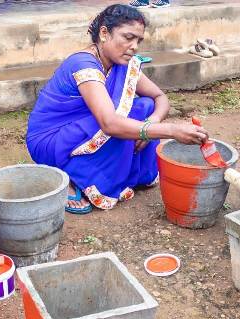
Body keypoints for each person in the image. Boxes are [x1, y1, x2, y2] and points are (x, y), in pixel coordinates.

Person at [26, 4, 208, 214]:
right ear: (104, 33)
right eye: (127, 37)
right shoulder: (83, 64)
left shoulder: (122, 63)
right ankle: (72, 174)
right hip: (52, 140)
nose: (134, 46)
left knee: (145, 107)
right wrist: (172, 131)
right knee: (119, 118)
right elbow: (109, 123)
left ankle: (120, 172)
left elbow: (159, 98)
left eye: (138, 40)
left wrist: (153, 122)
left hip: (83, 129)